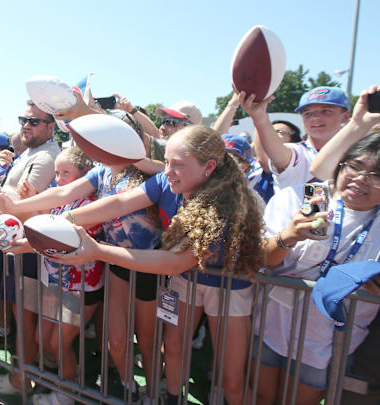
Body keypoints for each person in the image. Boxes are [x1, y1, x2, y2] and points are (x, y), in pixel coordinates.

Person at [49, 125, 264, 405]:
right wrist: (62, 222)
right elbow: (119, 202)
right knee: (172, 348)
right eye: (166, 162)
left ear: (208, 167)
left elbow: (175, 262)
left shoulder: (224, 204)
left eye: (177, 165)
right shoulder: (166, 182)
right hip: (185, 283)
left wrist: (98, 251)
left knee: (232, 380)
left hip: (227, 289)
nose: (167, 171)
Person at [0, 114, 162, 403]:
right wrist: (19, 204)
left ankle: (155, 395)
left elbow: (112, 206)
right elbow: (64, 192)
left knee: (147, 343)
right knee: (117, 340)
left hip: (149, 267)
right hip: (117, 264)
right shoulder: (102, 172)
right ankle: (131, 391)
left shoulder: (151, 174)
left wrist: (51, 224)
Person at [255, 129, 380, 405]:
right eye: (355, 166)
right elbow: (260, 258)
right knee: (262, 398)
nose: (360, 179)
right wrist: (287, 236)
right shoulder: (297, 197)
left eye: (379, 175)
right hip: (270, 324)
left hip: (329, 339)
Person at [4, 146, 105, 405]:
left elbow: (62, 235)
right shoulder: (62, 199)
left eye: (65, 173)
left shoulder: (93, 203)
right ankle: (66, 381)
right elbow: (45, 223)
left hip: (80, 285)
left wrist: (29, 242)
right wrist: (34, 202)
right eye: (57, 173)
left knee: (59, 342)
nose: (58, 179)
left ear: (85, 174)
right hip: (55, 280)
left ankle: (67, 394)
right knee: (42, 340)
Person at [0, 99, 61, 395]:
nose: (25, 125)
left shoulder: (45, 157)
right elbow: (9, 199)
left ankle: (23, 379)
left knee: (26, 315)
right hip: (18, 245)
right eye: (23, 119)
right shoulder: (31, 151)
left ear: (51, 127)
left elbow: (19, 208)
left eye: (33, 121)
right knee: (21, 314)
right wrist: (1, 194)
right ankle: (29, 373)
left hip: (29, 248)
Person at [240, 86, 350, 192]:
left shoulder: (359, 155)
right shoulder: (298, 152)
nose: (315, 118)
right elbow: (275, 154)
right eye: (308, 113)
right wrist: (260, 117)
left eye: (326, 111)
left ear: (345, 116)